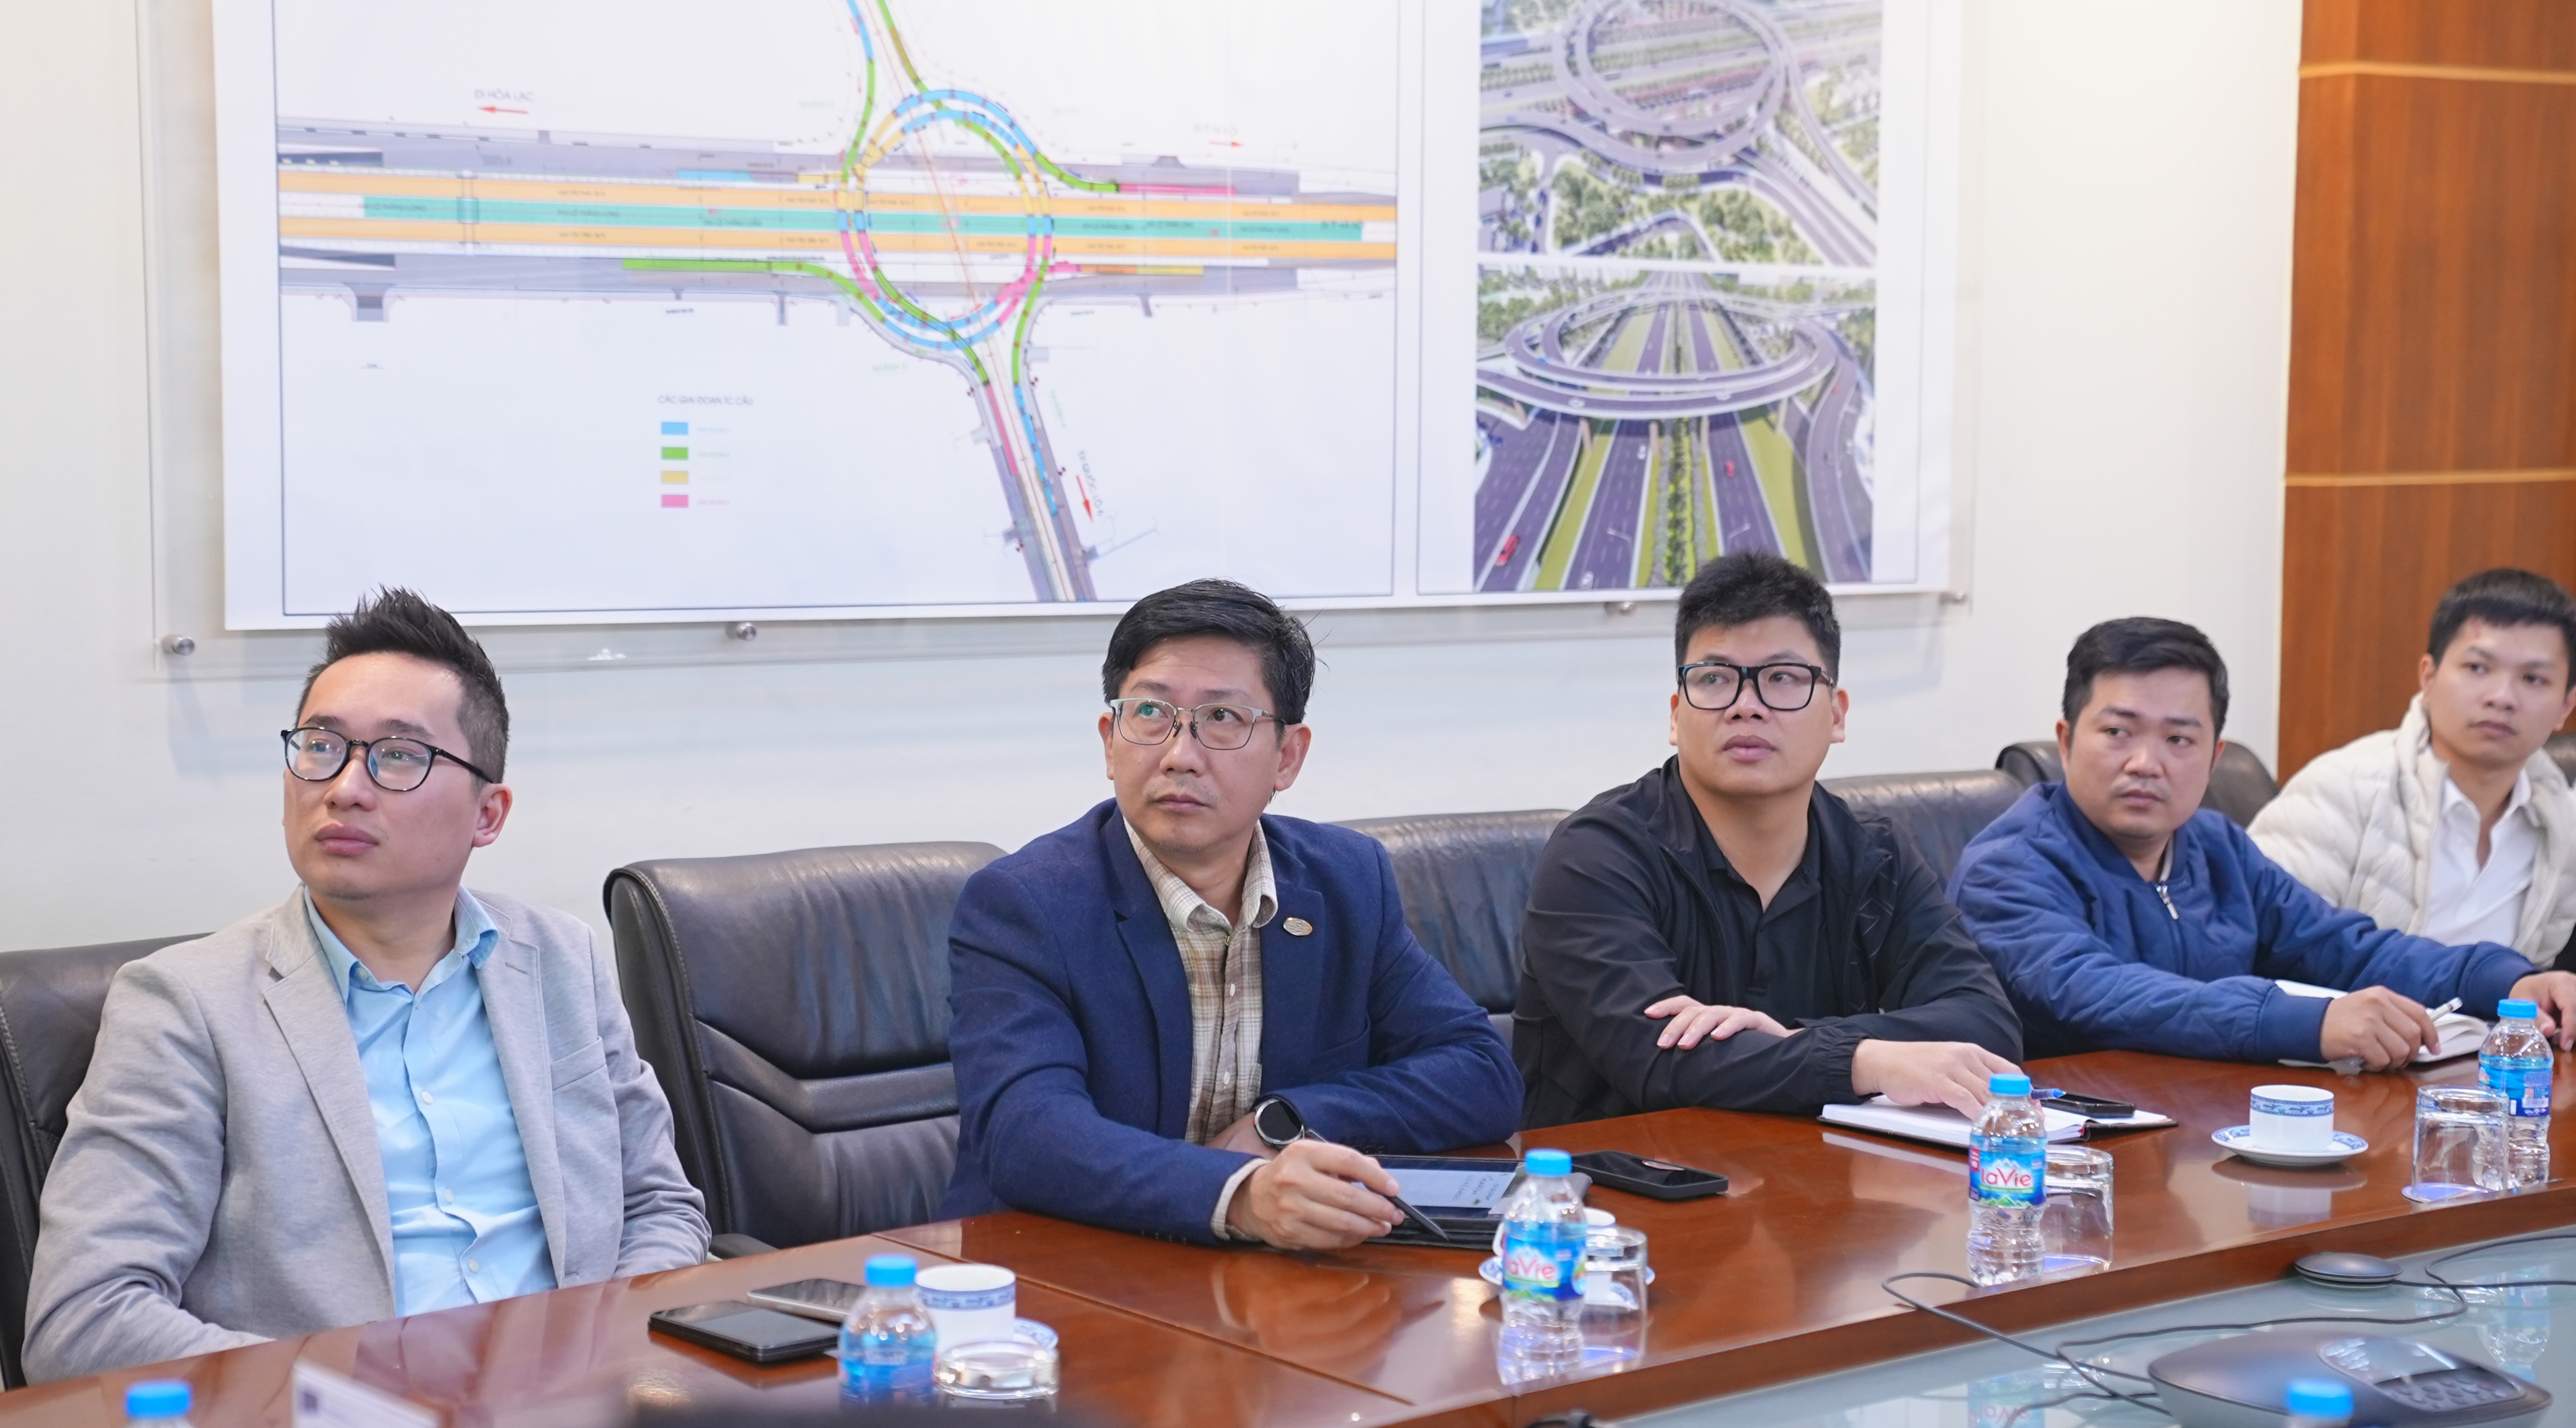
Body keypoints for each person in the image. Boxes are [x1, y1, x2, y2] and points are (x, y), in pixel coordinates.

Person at [24, 591, 707, 1383]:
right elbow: (85, 1316)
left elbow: (660, 1206)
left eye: (399, 755)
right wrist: (344, 1396)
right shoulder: (185, 1005)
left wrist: (606, 1356)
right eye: (320, 746)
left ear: (488, 814)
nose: (344, 786)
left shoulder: (560, 959)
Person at [939, 579, 1519, 1249]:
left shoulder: (1346, 881)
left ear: (1288, 757)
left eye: (1222, 718)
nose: (1179, 755)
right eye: (1150, 712)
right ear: (1109, 740)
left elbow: (1481, 1073)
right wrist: (1238, 1193)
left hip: (1268, 1274)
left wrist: (1287, 1121)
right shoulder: (1025, 903)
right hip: (1063, 1262)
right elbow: (1026, 1133)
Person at [1514, 552, 2022, 1129]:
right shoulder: (1596, 855)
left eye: (1783, 678)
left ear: (1837, 715)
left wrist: (1795, 1040)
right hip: (1614, 1177)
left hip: (1816, 1172)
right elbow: (1658, 1061)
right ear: (1677, 716)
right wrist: (1863, 1060)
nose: (1746, 707)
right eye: (1714, 679)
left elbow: (1987, 1025)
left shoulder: (1874, 855)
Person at [1951, 616, 2576, 1069]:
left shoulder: (2214, 845)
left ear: (2213, 756)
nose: (2145, 762)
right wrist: (2308, 1021)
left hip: (2212, 1134)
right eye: (2117, 731)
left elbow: (2342, 947)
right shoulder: (2007, 867)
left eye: (2178, 739)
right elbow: (2103, 994)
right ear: (2065, 741)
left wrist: (2510, 981)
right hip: (2066, 1150)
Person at [2252, 569, 2576, 967]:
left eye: (2533, 678)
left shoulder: (2563, 825)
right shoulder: (2342, 789)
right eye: (2477, 668)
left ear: (2565, 706)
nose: (2502, 697)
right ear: (2428, 677)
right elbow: (2261, 946)